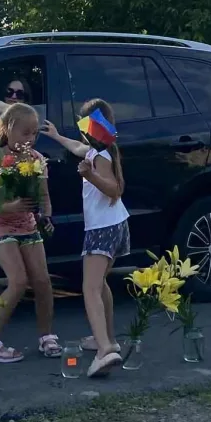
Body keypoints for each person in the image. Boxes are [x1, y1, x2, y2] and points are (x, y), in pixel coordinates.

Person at [41, 99, 129, 378]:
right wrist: (57, 136)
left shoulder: (101, 156)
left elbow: (114, 189)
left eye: (85, 123)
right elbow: (79, 149)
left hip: (102, 228)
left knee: (89, 288)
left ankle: (104, 350)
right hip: (115, 224)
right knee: (99, 283)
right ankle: (107, 338)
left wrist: (90, 176)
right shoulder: (98, 149)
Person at [0, 102, 61, 364]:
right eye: (25, 133)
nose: (30, 139)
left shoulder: (36, 160)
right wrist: (9, 207)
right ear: (8, 129)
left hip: (27, 225)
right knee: (18, 281)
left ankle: (46, 336)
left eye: (34, 133)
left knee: (43, 281)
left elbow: (44, 197)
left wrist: (45, 217)